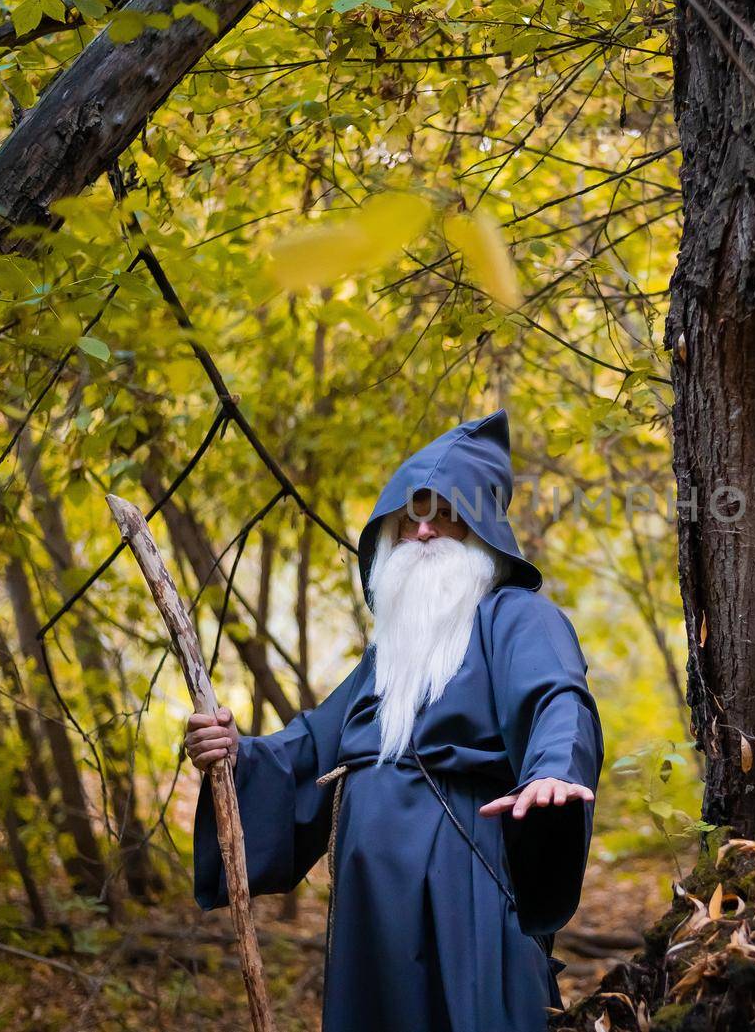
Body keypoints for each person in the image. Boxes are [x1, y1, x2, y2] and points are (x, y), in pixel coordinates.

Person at [183, 409, 604, 1032]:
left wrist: (551, 771)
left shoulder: (517, 618)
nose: (426, 529)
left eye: (444, 512)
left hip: (468, 885)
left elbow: (559, 701)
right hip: (372, 909)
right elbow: (308, 750)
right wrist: (234, 753)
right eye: (411, 517)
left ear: (481, 528)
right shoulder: (389, 657)